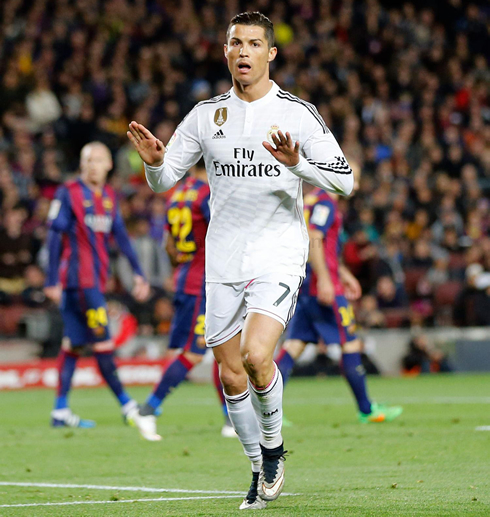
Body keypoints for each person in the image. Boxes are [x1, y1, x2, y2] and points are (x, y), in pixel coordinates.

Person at [127, 12, 353, 510]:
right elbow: (164, 184)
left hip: (278, 253)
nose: (244, 51)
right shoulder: (207, 115)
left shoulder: (297, 113)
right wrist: (154, 162)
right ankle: (257, 469)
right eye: (236, 43)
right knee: (230, 375)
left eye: (254, 43)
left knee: (255, 356)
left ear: (271, 53)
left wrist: (299, 165)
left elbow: (345, 181)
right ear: (226, 52)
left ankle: (273, 449)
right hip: (223, 258)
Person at [276, 165, 403, 423]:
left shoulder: (311, 200)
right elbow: (314, 239)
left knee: (294, 346)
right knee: (351, 343)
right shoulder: (325, 202)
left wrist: (343, 274)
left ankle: (267, 410)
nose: (355, 184)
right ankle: (367, 410)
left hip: (307, 283)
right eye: (351, 177)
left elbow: (319, 245)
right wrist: (326, 279)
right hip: (322, 287)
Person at [44, 141, 150, 428]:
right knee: (103, 343)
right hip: (80, 283)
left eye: (98, 159)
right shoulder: (68, 193)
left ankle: (60, 410)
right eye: (88, 160)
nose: (93, 165)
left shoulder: (109, 197)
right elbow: (54, 236)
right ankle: (127, 406)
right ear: (81, 164)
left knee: (74, 345)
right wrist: (51, 279)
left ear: (109, 165)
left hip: (93, 283)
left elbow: (122, 238)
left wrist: (139, 272)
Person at [128, 165, 235, 441]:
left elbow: (169, 245)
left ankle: (230, 419)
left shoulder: (177, 195)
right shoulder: (209, 194)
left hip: (187, 277)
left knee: (223, 348)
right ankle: (148, 409)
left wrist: (184, 262)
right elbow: (224, 235)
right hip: (204, 281)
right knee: (194, 353)